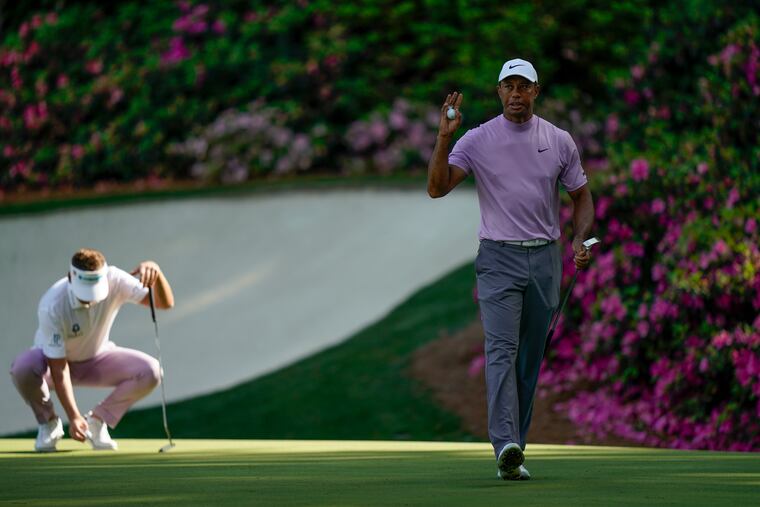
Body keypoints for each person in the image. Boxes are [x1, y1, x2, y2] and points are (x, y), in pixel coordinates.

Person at [427, 58, 594, 480]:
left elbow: (581, 196)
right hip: (498, 259)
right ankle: (505, 442)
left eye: (524, 86)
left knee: (530, 358)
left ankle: (512, 453)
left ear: (536, 91)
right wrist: (443, 140)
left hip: (545, 260)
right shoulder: (478, 138)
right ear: (499, 91)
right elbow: (437, 187)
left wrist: (578, 237)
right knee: (501, 351)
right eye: (509, 86)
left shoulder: (558, 141)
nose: (516, 94)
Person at [10, 248, 175, 452]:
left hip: (97, 360)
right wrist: (73, 416)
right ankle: (49, 423)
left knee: (152, 371)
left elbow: (164, 303)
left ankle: (97, 422)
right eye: (85, 295)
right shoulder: (52, 304)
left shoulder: (115, 279)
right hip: (51, 367)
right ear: (71, 277)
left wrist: (157, 273)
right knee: (23, 368)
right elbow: (59, 369)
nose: (91, 301)